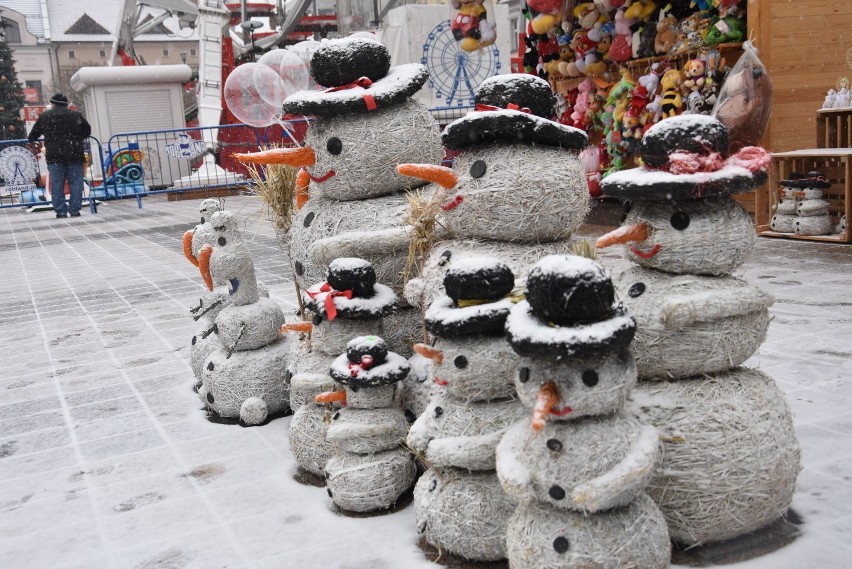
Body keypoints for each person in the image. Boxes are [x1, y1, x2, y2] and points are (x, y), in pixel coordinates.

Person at [27, 93, 91, 218]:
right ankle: (75, 210)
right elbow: (87, 131)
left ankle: (60, 211)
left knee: (56, 184)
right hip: (74, 154)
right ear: (66, 104)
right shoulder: (75, 115)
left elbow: (33, 135)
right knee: (76, 183)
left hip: (55, 156)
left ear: (53, 103)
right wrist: (76, 139)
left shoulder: (45, 116)